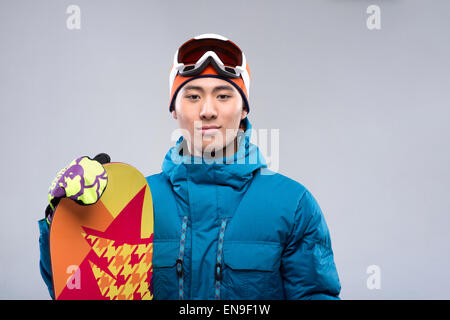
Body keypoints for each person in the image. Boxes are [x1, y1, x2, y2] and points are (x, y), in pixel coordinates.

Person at [39, 33, 341, 300]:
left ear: (245, 107)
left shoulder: (292, 204)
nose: (208, 111)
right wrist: (66, 217)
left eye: (223, 96)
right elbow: (80, 292)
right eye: (193, 96)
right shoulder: (132, 203)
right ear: (174, 108)